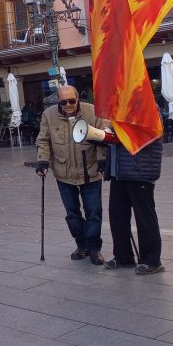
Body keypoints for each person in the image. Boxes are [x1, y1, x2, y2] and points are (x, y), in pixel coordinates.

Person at [35, 85, 107, 265]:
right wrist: (42, 161)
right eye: (63, 101)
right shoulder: (49, 115)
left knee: (94, 212)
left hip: (90, 170)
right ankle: (81, 244)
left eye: (71, 101)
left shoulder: (92, 112)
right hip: (63, 171)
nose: (68, 104)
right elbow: (43, 139)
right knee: (72, 214)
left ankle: (94, 248)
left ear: (78, 98)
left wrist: (102, 159)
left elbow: (103, 136)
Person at [103, 138, 165, 275]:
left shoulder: (148, 115)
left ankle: (152, 261)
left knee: (145, 218)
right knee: (117, 216)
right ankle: (123, 257)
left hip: (139, 171)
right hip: (118, 173)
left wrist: (112, 134)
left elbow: (140, 136)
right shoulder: (118, 116)